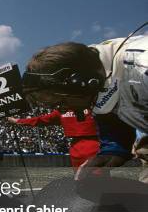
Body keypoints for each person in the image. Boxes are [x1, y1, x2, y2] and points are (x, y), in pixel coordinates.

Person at [21, 33, 147, 182]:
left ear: (79, 83)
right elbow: (110, 118)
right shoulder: (97, 78)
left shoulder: (142, 66)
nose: (62, 110)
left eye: (61, 102)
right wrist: (114, 150)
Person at [7, 109, 99, 169]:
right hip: (90, 146)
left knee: (85, 183)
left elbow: (40, 120)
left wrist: (18, 121)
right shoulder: (93, 104)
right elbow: (41, 120)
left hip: (80, 148)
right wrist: (18, 121)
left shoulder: (63, 109)